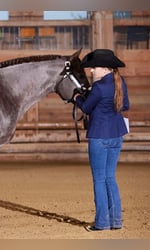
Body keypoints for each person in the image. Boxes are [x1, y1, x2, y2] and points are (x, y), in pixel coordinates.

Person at [74, 49, 130, 232]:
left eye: (94, 68)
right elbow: (125, 105)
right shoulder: (120, 82)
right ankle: (116, 221)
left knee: (99, 179)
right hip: (116, 135)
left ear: (105, 68)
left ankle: (102, 223)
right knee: (110, 178)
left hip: (99, 136)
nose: (91, 71)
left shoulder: (99, 87)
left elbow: (87, 108)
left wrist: (77, 98)